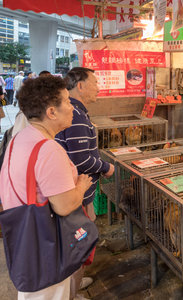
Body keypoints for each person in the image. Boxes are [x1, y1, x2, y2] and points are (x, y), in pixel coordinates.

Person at [0, 76, 93, 300]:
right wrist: (81, 185)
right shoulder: (48, 149)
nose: (72, 107)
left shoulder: (21, 138)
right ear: (51, 112)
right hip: (46, 242)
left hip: (24, 235)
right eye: (67, 102)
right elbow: (63, 206)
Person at [55, 67, 114, 298]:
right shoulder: (75, 116)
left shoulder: (76, 112)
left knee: (79, 244)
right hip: (76, 194)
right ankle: (71, 293)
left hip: (76, 192)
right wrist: (106, 167)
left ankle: (74, 286)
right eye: (95, 82)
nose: (99, 87)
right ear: (80, 86)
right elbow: (81, 159)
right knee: (79, 245)